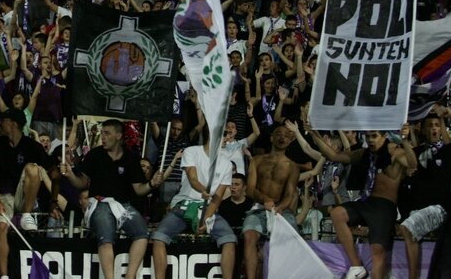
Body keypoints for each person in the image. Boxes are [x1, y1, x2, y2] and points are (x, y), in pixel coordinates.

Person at [61, 119, 163, 279]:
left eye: (107, 133)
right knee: (106, 239)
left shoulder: (131, 158)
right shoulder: (94, 154)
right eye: (102, 133)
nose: (102, 137)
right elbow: (82, 183)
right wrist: (70, 175)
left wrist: (151, 183)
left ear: (118, 136)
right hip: (99, 203)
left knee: (142, 234)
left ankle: (130, 276)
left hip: (123, 206)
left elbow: (139, 189)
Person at [311, 129, 417, 279]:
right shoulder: (364, 153)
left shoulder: (395, 152)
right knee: (337, 213)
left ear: (384, 136)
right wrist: (314, 134)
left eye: (374, 136)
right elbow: (334, 156)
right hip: (366, 202)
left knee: (377, 250)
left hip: (385, 207)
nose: (371, 140)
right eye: (368, 136)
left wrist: (404, 140)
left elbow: (413, 164)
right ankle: (356, 266)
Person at [151, 126, 237, 279]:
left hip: (208, 208)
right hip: (184, 205)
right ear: (214, 135)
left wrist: (205, 218)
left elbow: (217, 198)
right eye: (225, 134)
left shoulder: (227, 164)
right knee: (159, 237)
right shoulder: (191, 151)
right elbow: (192, 179)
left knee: (230, 239)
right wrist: (203, 190)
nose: (228, 138)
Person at [398, 107, 451, 279]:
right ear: (423, 130)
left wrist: (450, 114)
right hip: (418, 209)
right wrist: (404, 139)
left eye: (437, 125)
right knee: (406, 230)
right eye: (430, 125)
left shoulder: (448, 150)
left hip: (439, 209)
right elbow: (410, 164)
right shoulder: (417, 152)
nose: (434, 128)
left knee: (407, 228)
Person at [0, 108, 55, 279]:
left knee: (33, 168)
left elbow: (52, 171)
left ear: (13, 124)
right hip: (1, 195)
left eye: (3, 120)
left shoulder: (33, 146)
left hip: (23, 196)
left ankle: (26, 215)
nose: (0, 124)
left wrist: (54, 202)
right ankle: (4, 276)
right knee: (1, 227)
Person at [242, 123, 300, 279]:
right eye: (279, 134)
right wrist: (265, 199)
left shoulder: (293, 166)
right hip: (259, 208)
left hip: (282, 210)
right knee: (249, 235)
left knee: (290, 238)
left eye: (286, 136)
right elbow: (249, 189)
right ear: (271, 138)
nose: (282, 137)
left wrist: (280, 207)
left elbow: (289, 195)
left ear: (290, 141)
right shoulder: (257, 160)